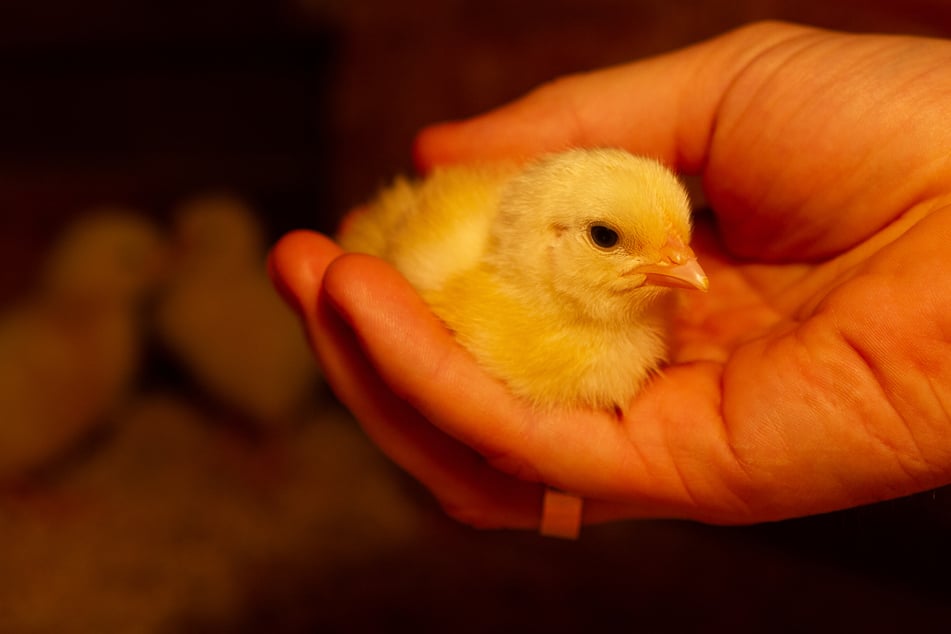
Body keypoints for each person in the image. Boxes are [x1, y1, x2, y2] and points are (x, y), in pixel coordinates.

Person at [268, 20, 951, 533]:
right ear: (547, 244)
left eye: (675, 242)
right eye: (605, 239)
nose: (681, 264)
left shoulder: (638, 317)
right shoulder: (472, 300)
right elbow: (384, 240)